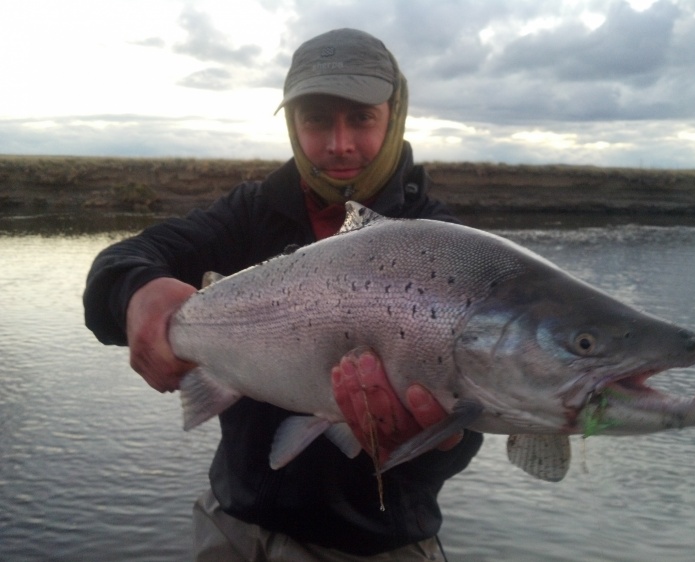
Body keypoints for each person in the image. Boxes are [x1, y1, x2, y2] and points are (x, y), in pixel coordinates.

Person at [84, 28, 483, 561]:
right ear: (293, 124)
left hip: (373, 548)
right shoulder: (250, 213)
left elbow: (480, 418)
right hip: (231, 530)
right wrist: (136, 294)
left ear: (395, 116)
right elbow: (116, 268)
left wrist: (438, 443)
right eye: (317, 118)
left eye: (361, 118)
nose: (339, 144)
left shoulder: (446, 247)